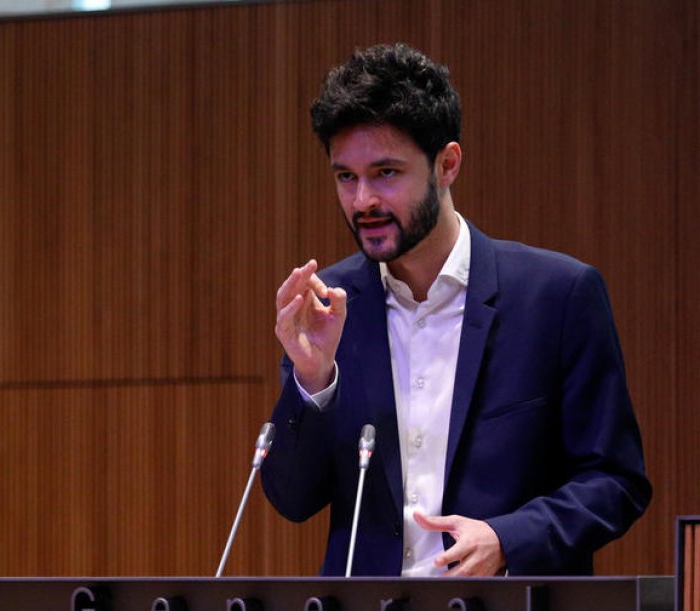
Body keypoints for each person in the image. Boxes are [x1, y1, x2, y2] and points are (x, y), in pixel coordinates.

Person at [260, 43, 651, 577]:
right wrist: (312, 381)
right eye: (345, 177)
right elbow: (292, 499)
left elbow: (615, 480)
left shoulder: (557, 296)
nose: (362, 201)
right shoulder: (327, 306)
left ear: (447, 164)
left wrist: (507, 538)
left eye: (386, 173)